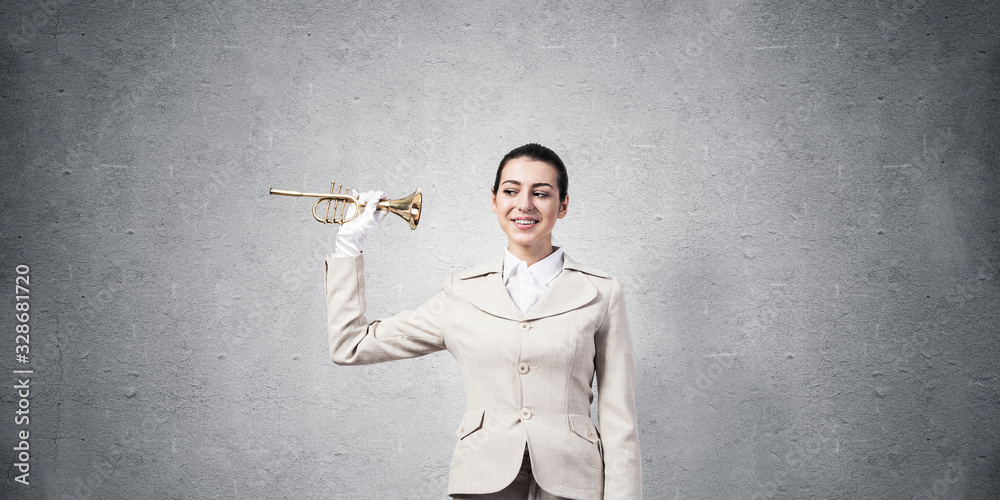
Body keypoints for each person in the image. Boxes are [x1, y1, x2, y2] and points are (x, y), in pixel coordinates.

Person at [324, 144, 642, 499]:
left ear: (563, 205)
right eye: (511, 191)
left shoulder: (601, 291)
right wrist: (349, 245)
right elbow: (350, 345)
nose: (524, 204)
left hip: (574, 482)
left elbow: (619, 420)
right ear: (494, 201)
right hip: (483, 479)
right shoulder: (462, 293)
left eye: (541, 193)